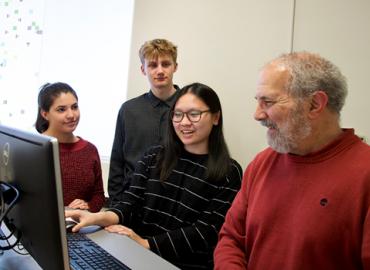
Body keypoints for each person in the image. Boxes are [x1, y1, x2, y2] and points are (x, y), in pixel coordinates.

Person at [214, 52, 370, 269]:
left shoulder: (364, 174)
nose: (257, 114)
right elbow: (231, 238)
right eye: (258, 102)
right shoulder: (262, 163)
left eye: (267, 102)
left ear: (314, 104)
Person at [66, 83, 243, 269]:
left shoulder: (229, 173)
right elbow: (130, 203)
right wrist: (95, 218)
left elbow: (205, 232)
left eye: (194, 114)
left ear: (215, 117)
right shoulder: (154, 156)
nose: (184, 122)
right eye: (178, 114)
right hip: (137, 254)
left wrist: (146, 244)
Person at [108, 38, 181, 206]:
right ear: (143, 69)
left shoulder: (190, 107)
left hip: (174, 203)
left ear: (175, 67)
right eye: (153, 65)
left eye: (166, 64)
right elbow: (117, 162)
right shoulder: (128, 110)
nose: (160, 71)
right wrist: (116, 204)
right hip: (131, 201)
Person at [35, 82, 105, 212]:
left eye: (74, 107)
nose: (71, 115)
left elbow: (99, 196)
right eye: (61, 109)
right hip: (43, 226)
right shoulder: (33, 149)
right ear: (45, 114)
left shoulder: (90, 150)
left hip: (80, 226)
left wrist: (86, 206)